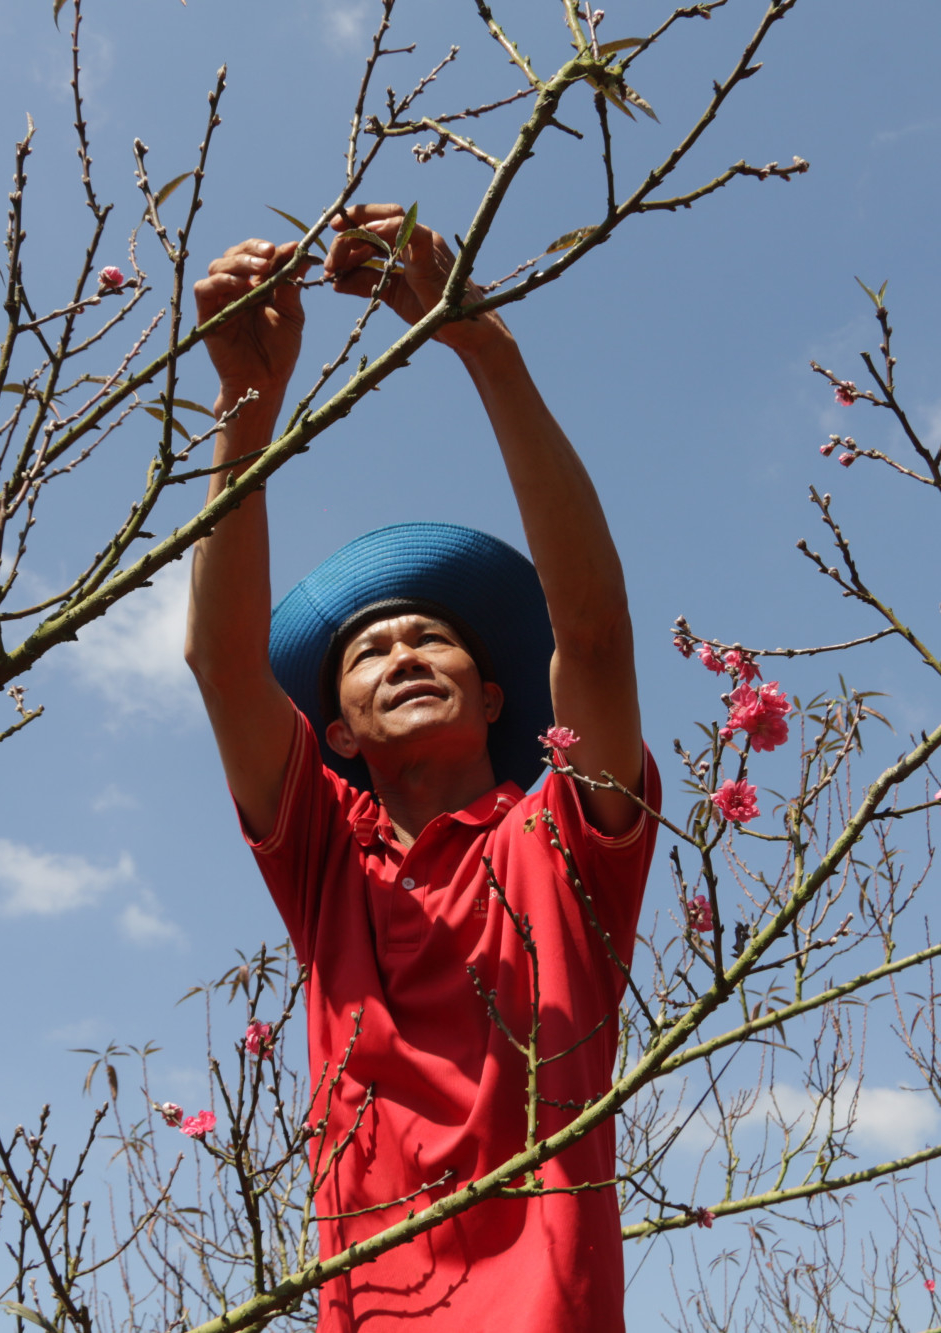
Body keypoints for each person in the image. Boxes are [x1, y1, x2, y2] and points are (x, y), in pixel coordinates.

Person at [184, 204, 658, 1332]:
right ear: (335, 731)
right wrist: (244, 408)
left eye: (429, 638)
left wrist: (477, 341)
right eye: (367, 650)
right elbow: (219, 663)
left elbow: (590, 633)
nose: (399, 650)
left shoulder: (564, 845)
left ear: (495, 697)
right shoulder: (323, 860)